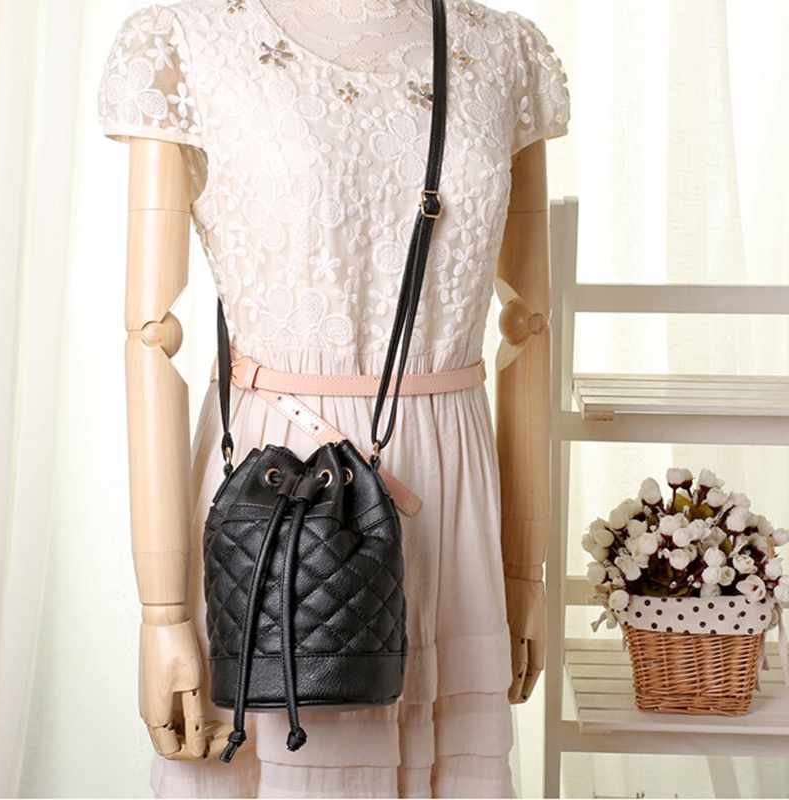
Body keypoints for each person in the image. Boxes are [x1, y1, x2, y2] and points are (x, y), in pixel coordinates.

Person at [96, 0, 569, 795]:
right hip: (282, 485)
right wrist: (163, 615)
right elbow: (151, 333)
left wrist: (527, 574)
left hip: (454, 483)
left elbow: (528, 324)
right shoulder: (186, 39)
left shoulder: (503, 49)